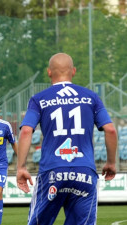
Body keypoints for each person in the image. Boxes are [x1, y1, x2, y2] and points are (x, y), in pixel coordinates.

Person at [16, 53, 118, 225]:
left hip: (52, 171)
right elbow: (110, 130)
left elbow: (26, 131)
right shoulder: (91, 97)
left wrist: (21, 167)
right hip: (84, 171)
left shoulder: (39, 99)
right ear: (74, 71)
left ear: (49, 72)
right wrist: (111, 163)